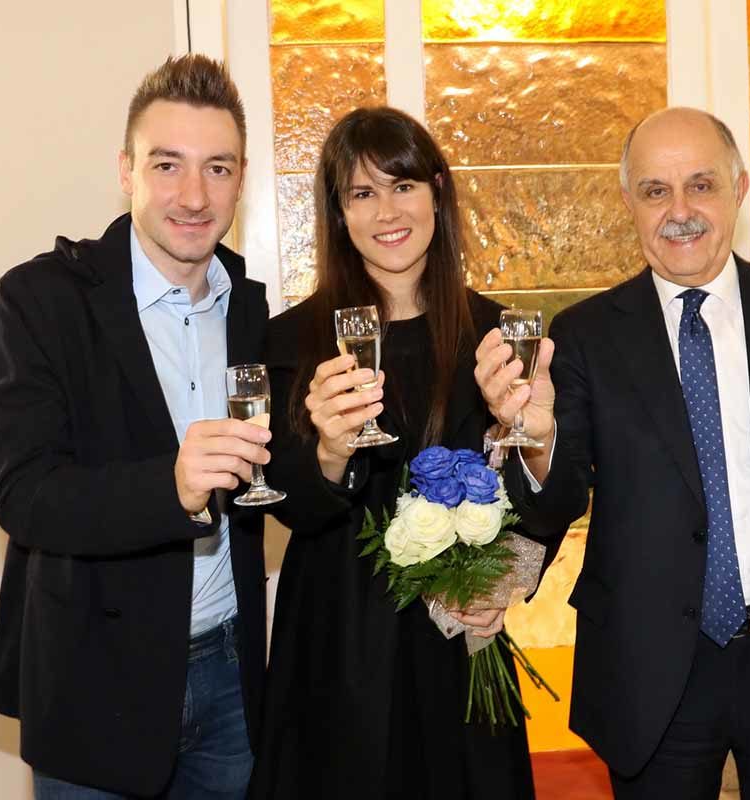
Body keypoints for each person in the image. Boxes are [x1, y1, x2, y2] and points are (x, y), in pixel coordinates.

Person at [474, 107, 750, 800]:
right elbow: (557, 502)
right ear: (629, 202)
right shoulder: (585, 335)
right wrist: (533, 436)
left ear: (739, 189)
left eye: (701, 185)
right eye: (656, 190)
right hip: (650, 671)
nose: (679, 211)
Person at [248, 106, 561, 799]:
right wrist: (330, 451)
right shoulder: (293, 340)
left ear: (437, 192)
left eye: (403, 186)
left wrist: (504, 582)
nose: (386, 211)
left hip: (458, 638)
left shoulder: (496, 334)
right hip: (336, 640)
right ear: (339, 213)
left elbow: (546, 495)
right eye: (362, 193)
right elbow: (284, 503)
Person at [0, 54, 270, 798]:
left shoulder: (250, 304)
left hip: (232, 678)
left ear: (241, 178)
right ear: (126, 171)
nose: (194, 196)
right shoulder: (41, 299)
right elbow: (26, 497)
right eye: (167, 165)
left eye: (217, 168)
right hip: (96, 683)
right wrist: (170, 487)